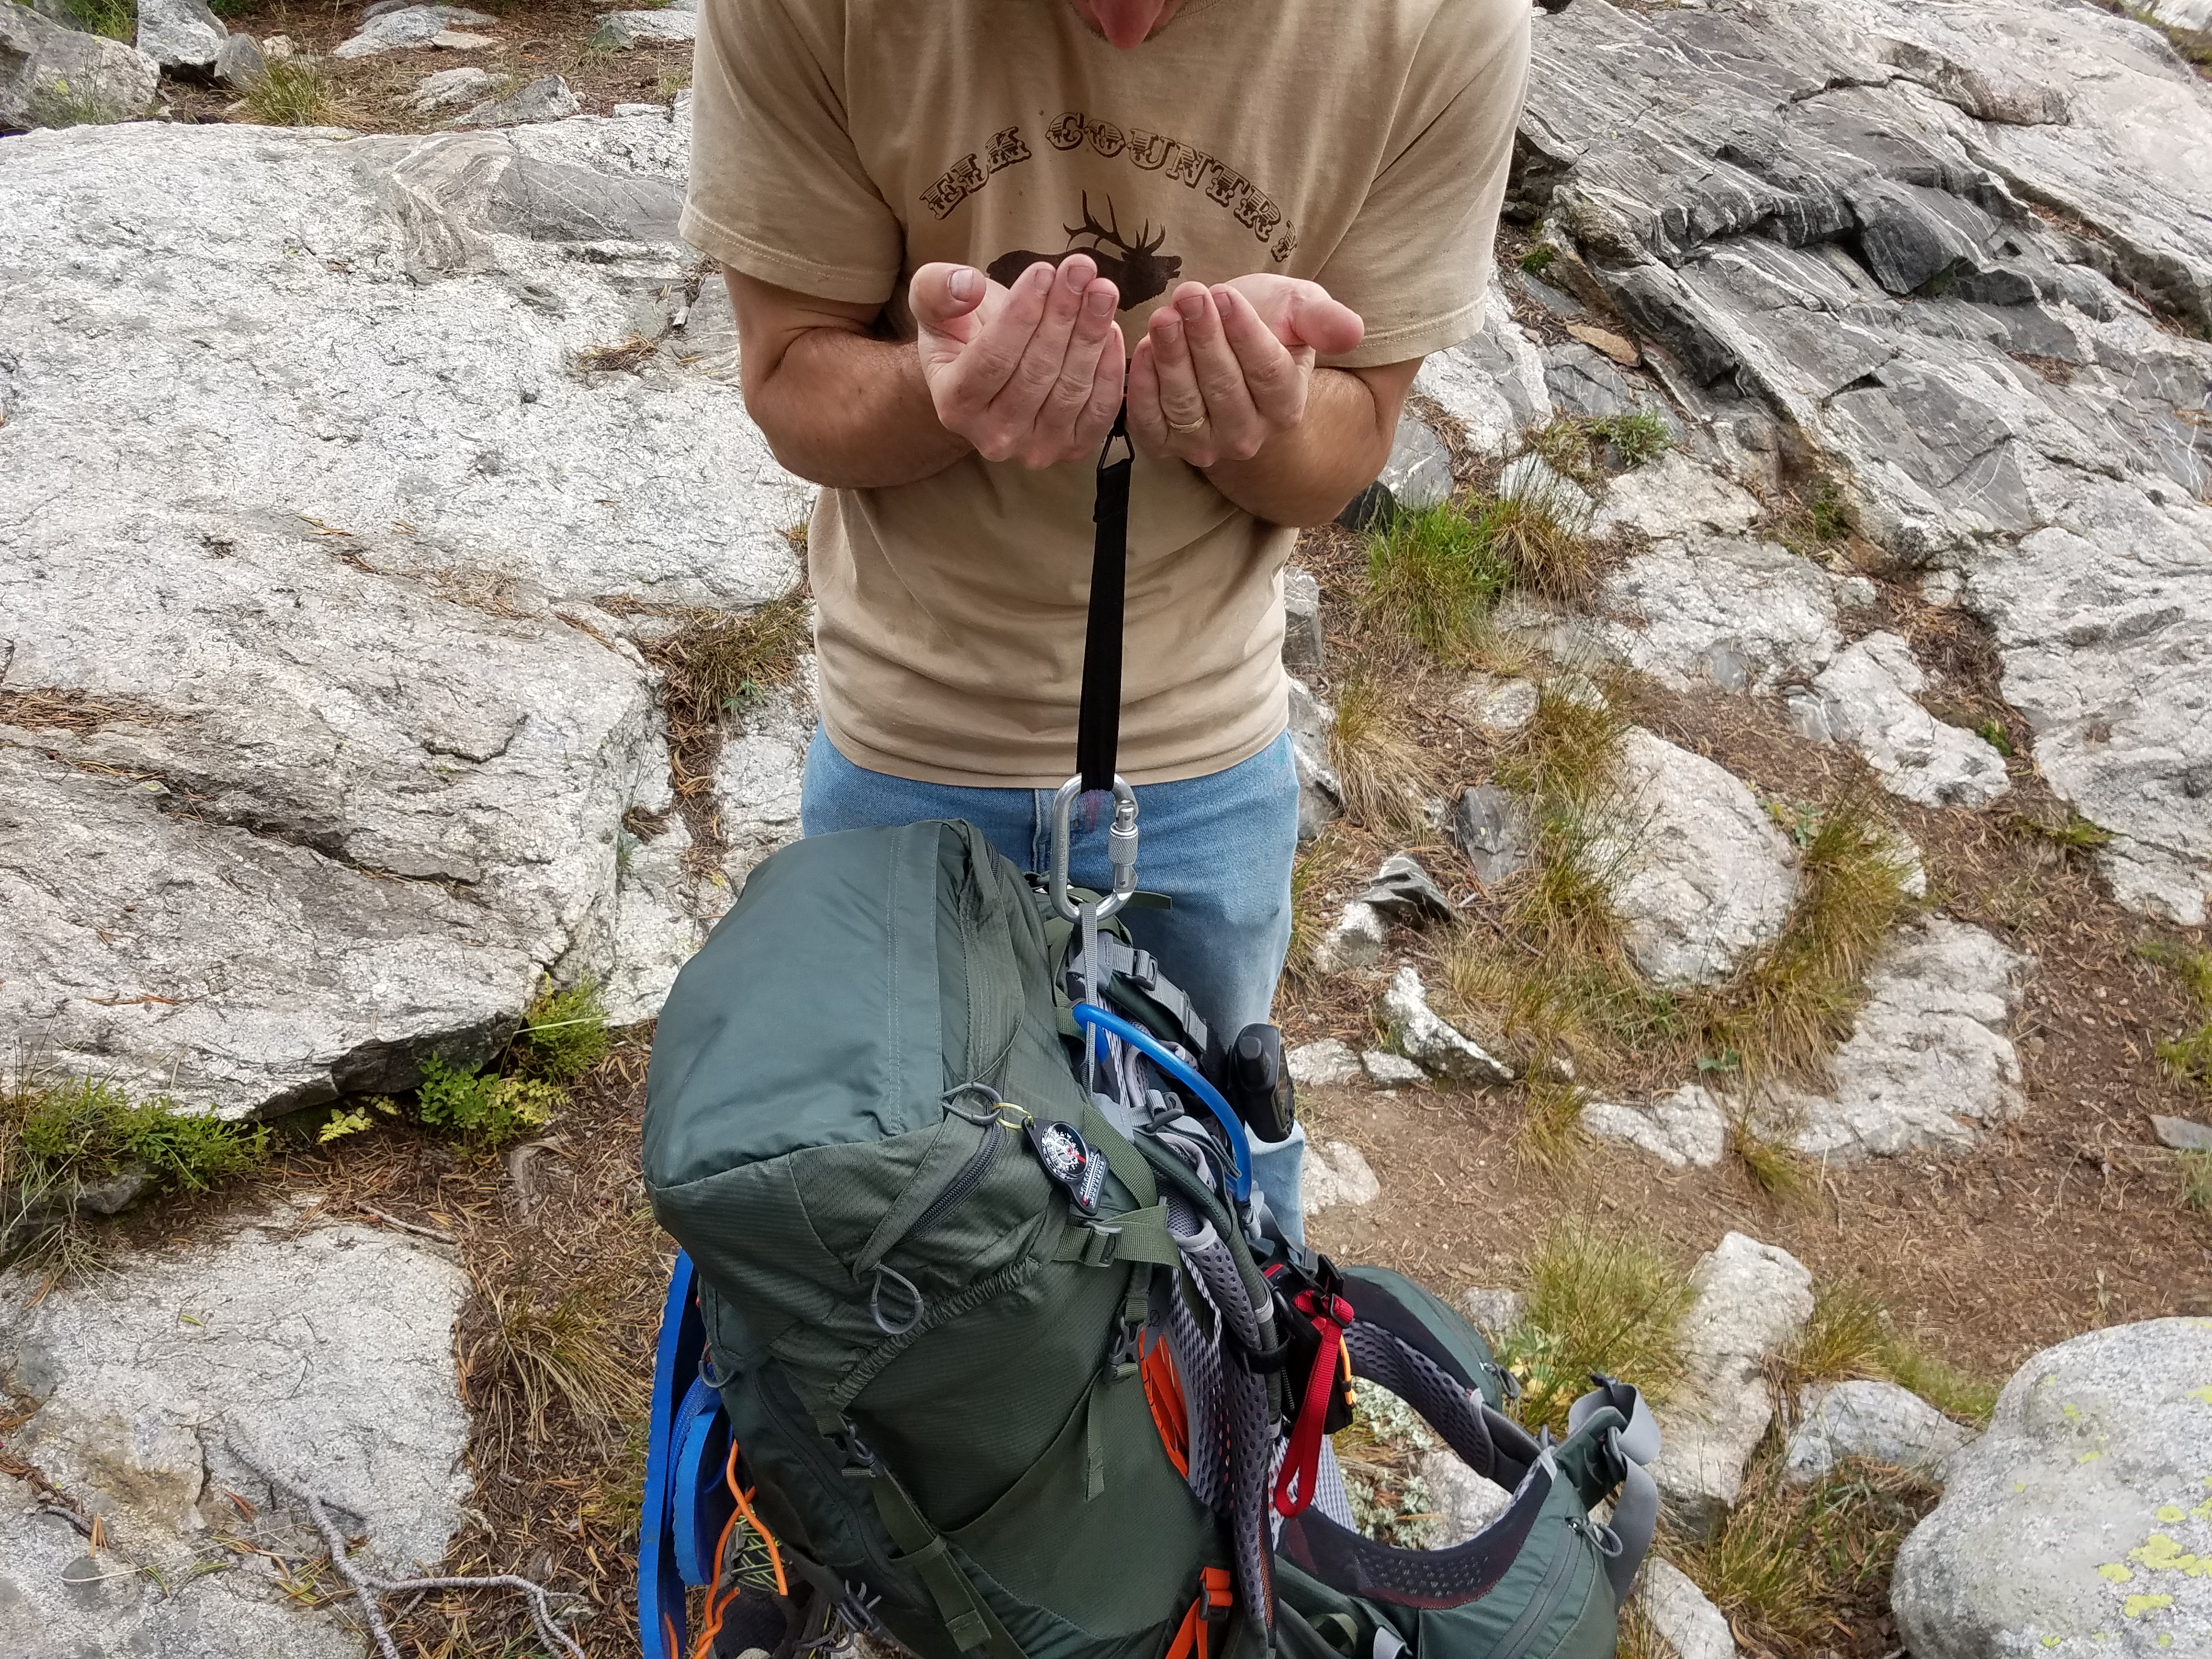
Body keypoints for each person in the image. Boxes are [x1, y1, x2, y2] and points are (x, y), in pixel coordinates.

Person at [683, 0, 1532, 1234]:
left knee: (1212, 1235)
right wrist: (939, 392)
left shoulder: (1441, 23)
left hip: (1202, 768)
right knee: (876, 1247)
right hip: (902, 748)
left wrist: (1270, 422)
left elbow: (1352, 442)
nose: (1126, 29)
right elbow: (787, 379)